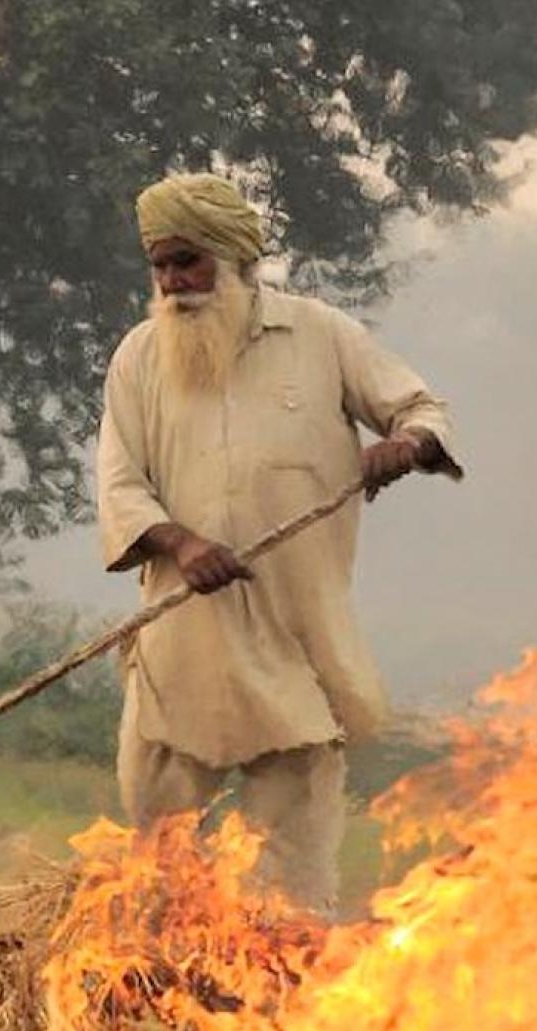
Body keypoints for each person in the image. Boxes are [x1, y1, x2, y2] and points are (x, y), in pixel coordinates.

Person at [94, 172, 462, 916]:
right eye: (161, 266)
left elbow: (420, 408)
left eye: (189, 261)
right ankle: (149, 1006)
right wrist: (181, 542)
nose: (174, 282)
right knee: (157, 872)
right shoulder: (138, 356)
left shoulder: (322, 335)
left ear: (235, 258)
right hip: (181, 643)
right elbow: (120, 483)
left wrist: (409, 443)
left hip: (296, 641)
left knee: (288, 889)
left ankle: (283, 1008)